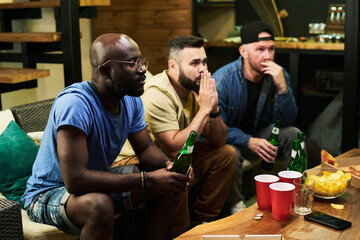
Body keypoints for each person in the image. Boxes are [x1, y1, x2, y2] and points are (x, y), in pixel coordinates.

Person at [21, 33, 193, 240]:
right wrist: (147, 180)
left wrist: (170, 166)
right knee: (99, 204)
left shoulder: (131, 100)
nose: (142, 69)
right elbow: (75, 181)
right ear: (106, 71)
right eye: (132, 63)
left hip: (92, 186)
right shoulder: (76, 104)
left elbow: (146, 150)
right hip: (47, 195)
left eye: (141, 61)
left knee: (171, 182)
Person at [117, 35, 237, 224]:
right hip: (136, 160)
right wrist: (204, 109)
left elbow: (219, 140)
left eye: (204, 62)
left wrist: (213, 110)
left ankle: (203, 222)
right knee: (179, 173)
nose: (203, 69)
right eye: (195, 63)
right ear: (173, 66)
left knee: (226, 154)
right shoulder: (158, 94)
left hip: (173, 156)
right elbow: (174, 148)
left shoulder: (194, 87)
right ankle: (179, 233)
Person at [213, 21, 300, 210]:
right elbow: (216, 128)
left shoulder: (278, 74)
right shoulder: (223, 80)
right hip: (230, 140)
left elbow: (287, 121)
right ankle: (236, 205)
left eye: (271, 49)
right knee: (231, 152)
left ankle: (294, 194)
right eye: (260, 49)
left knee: (293, 134)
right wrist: (247, 140)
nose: (267, 56)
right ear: (243, 51)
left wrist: (283, 88)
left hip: (260, 133)